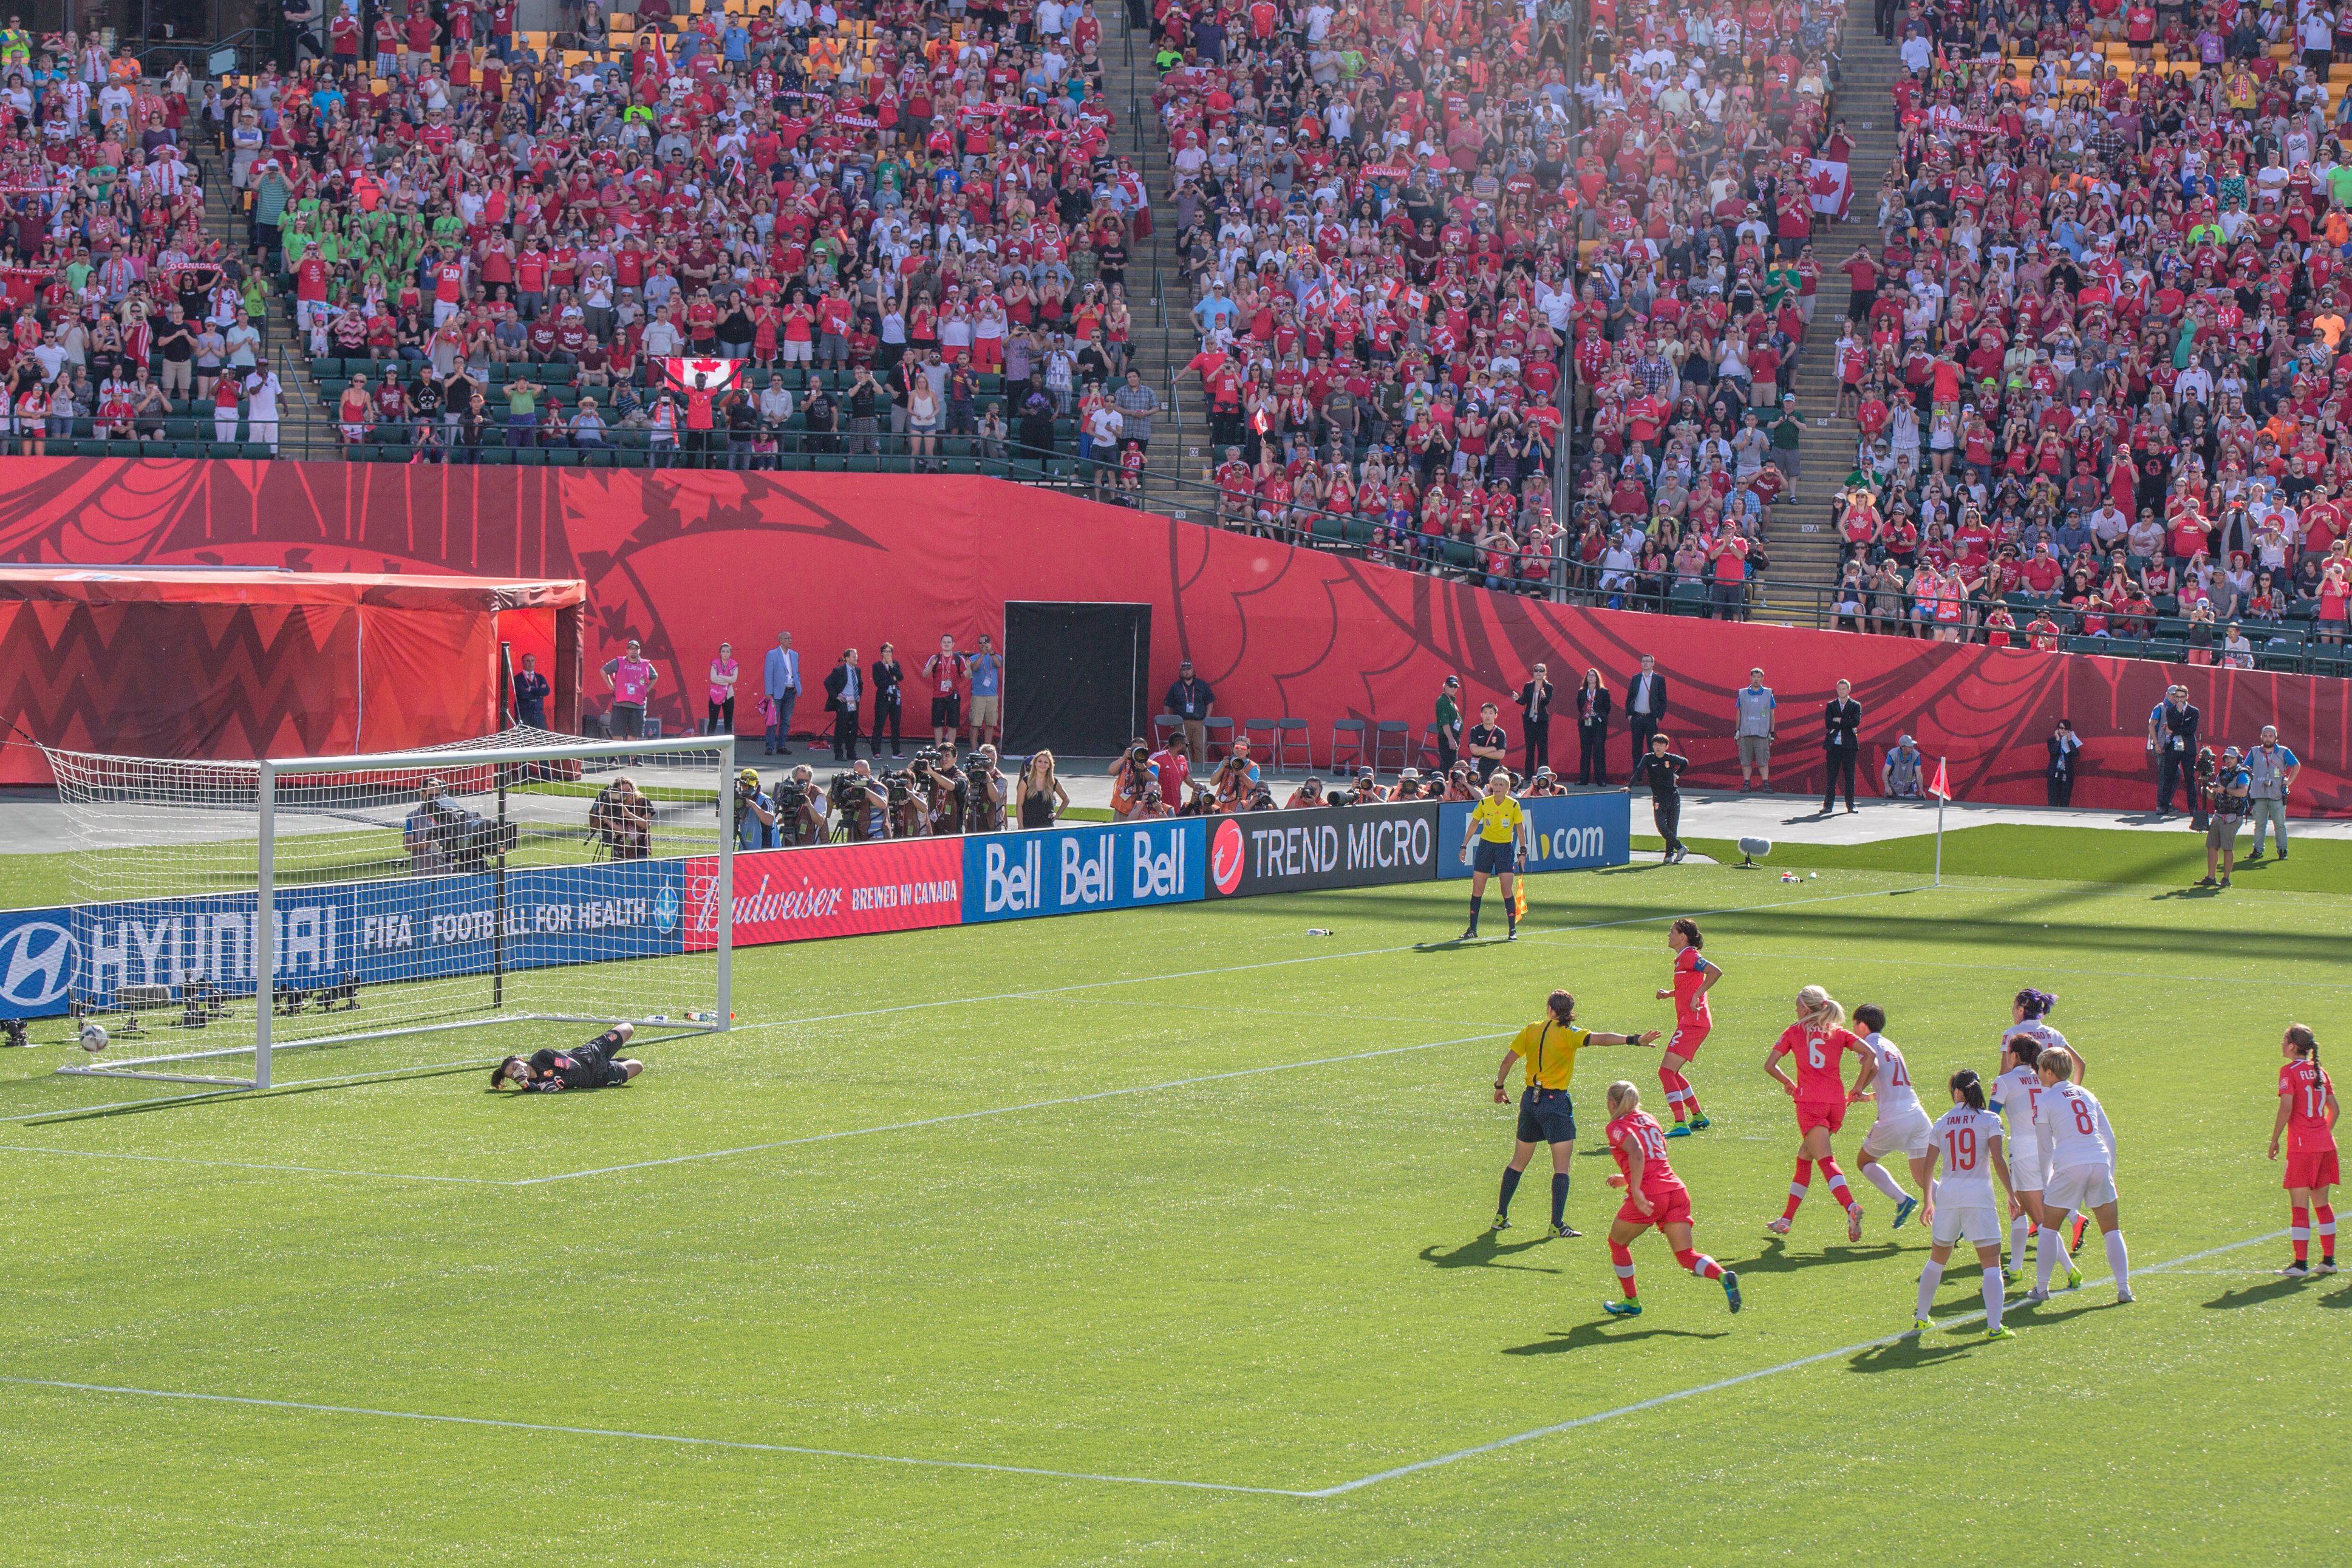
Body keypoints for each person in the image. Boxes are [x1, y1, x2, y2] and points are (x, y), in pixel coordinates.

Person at [1487, 988, 1662, 1238]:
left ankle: (1500, 1216)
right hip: (1555, 1102)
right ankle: (1556, 1224)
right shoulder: (1570, 1034)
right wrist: (1635, 1040)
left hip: (1530, 1100)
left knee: (1518, 1161)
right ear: (1569, 1012)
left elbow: (1507, 1061)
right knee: (1561, 1167)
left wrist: (1500, 1087)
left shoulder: (1532, 1029)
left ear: (1549, 1009)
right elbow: (1602, 1039)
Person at [1598, 1081, 1742, 1318]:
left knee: (1618, 1243)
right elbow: (1655, 1157)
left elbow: (1636, 1152)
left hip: (1650, 1194)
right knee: (1686, 1255)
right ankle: (1723, 1275)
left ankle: (1631, 1302)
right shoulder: (1650, 1119)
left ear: (1613, 1103)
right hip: (1675, 1190)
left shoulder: (1616, 1125)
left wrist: (1634, 1190)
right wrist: (1625, 1179)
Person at [1762, 986, 1878, 1239]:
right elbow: (1870, 1055)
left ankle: (1851, 1206)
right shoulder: (1838, 1032)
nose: (1795, 1010)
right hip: (1836, 1104)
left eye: (1797, 1005)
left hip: (1810, 1104)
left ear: (1805, 1008)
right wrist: (1858, 1087)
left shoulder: (1794, 1031)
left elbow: (1769, 1065)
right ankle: (1786, 1219)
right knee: (1805, 1156)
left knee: (1825, 1160)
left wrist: (1788, 1083)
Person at [1913, 1070, 2018, 1340]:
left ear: (1957, 1092)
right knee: (1991, 1265)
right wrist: (2011, 1194)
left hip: (1947, 1198)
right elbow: (1997, 1160)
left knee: (1937, 1260)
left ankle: (1922, 1319)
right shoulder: (1990, 1120)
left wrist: (1928, 1202)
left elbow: (1928, 1167)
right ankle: (1994, 1327)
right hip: (1979, 1199)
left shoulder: (1942, 1122)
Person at [2026, 1047, 2133, 1306]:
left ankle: (2042, 1288)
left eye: (2040, 1069)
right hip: (2098, 1162)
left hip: (2070, 1166)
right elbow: (2110, 1138)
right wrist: (2111, 1172)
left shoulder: (2045, 1101)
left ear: (2049, 1072)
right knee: (2112, 1231)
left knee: (2049, 1229)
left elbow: (2045, 1148)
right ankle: (2124, 1289)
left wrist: (2044, 1181)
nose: (2037, 1074)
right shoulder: (2087, 1094)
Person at [1993, 987, 2085, 1272]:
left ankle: (2063, 1270)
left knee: (2029, 1202)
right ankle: (2019, 1265)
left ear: (2021, 1008)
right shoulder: (2053, 1035)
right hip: (2051, 1123)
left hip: (2022, 1140)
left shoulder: (2012, 1035)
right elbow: (2079, 1064)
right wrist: (2069, 1094)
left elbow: (2003, 1075)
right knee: (2044, 1189)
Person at [1849, 1002, 1932, 1230]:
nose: (1853, 1030)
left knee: (1864, 1162)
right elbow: (1896, 1083)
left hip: (1894, 1119)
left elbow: (1873, 1066)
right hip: (1917, 1114)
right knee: (1920, 1175)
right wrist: (1870, 1097)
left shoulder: (1868, 1045)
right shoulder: (1890, 1045)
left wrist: (1857, 1088)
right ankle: (1959, 1211)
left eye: (1854, 1025)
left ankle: (1903, 1200)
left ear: (1863, 1026)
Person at [2271, 1024, 2339, 1277]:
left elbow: (2286, 1108)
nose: (2281, 1044)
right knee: (2322, 1204)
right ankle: (2329, 1261)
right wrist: (2322, 1135)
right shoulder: (2320, 1071)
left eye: (2283, 1039)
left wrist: (2274, 1139)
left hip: (2302, 1147)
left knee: (2299, 1205)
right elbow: (2335, 1110)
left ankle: (2300, 1264)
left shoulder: (2288, 1072)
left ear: (2292, 1046)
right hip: (2325, 1146)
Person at [1654, 918, 1719, 1136]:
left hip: (1694, 1022)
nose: (1668, 935)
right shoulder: (1682, 958)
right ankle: (1698, 1117)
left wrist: (1698, 996)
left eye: (1672, 931)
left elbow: (1715, 972)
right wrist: (1669, 994)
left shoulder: (1690, 956)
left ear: (1683, 936)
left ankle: (1680, 1124)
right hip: (1691, 1022)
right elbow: (1689, 986)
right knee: (1673, 1071)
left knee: (1665, 1072)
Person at [1456, 768, 1530, 941]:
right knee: (1477, 888)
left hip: (1505, 849)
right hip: (1486, 848)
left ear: (1507, 788)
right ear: (1491, 787)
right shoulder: (1484, 803)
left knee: (1506, 890)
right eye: (1495, 784)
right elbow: (1474, 824)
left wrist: (1523, 851)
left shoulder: (1513, 805)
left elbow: (1520, 829)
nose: (1497, 787)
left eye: (1501, 785)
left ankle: (1512, 930)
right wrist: (1464, 846)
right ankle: (1472, 929)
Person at [492, 1023, 643, 1091]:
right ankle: (615, 1063)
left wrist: (558, 1083)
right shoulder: (534, 1083)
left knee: (628, 1028)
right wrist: (524, 1084)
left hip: (591, 1055)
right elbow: (530, 1089)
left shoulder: (543, 1057)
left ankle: (610, 1057)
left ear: (521, 1060)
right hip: (596, 1079)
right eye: (512, 1075)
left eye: (515, 1067)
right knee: (638, 1066)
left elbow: (573, 1066)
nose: (517, 1072)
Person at [2197, 745, 2251, 888]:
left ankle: (2226, 879)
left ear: (2238, 759)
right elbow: (2214, 796)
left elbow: (2243, 792)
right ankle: (2211, 877)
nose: (2228, 760)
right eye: (2226, 758)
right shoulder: (2222, 774)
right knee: (2212, 846)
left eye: (2231, 758)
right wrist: (2205, 789)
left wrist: (2225, 790)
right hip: (2219, 813)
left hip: (2232, 815)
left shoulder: (2243, 775)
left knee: (2227, 848)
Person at [2244, 725, 2300, 861]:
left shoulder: (2283, 751)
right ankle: (2258, 850)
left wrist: (2289, 782)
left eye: (2271, 736)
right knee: (2259, 825)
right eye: (2265, 736)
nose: (2268, 739)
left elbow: (2296, 765)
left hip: (2277, 794)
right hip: (2258, 794)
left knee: (2280, 824)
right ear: (2261, 737)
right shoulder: (2254, 752)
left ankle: (2282, 850)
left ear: (2276, 737)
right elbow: (2245, 768)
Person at [1636, 733, 1691, 862]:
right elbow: (1638, 771)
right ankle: (1681, 848)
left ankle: (1668, 856)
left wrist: (1676, 775)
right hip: (1658, 798)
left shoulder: (1670, 758)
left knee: (1672, 827)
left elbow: (1685, 763)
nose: (1658, 748)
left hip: (1673, 797)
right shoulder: (1649, 758)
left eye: (1661, 745)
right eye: (1655, 745)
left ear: (1666, 746)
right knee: (1661, 826)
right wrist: (1629, 786)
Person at [2150, 684, 2200, 818]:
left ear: (2187, 697)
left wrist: (2175, 730)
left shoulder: (2194, 711)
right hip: (2172, 748)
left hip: (2188, 749)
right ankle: (2163, 806)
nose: (2179, 700)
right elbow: (2171, 724)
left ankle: (2193, 808)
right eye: (2177, 697)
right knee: (2167, 777)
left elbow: (2191, 730)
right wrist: (2178, 712)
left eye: (2182, 697)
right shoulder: (2170, 711)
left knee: (2190, 779)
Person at [602, 638, 658, 740]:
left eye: (635, 649)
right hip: (620, 703)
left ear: (639, 651)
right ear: (627, 651)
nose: (633, 651)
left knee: (633, 735)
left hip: (638, 705)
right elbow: (603, 671)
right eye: (631, 649)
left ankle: (633, 756)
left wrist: (648, 689)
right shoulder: (618, 662)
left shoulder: (645, 664)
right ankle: (616, 756)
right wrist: (610, 685)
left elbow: (655, 677)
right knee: (617, 734)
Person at [1821, 678, 1861, 814]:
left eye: (1844, 689)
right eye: (1839, 689)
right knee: (1831, 777)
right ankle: (1828, 806)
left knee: (1850, 777)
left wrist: (1840, 720)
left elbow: (1855, 722)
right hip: (1834, 746)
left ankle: (1851, 805)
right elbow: (1828, 723)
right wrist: (1846, 722)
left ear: (1849, 690)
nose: (1841, 691)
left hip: (1849, 747)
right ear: (1836, 690)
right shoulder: (1831, 705)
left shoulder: (1856, 705)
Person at [587, 775, 653, 859]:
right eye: (623, 792)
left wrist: (628, 814)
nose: (627, 794)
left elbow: (647, 825)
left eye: (629, 790)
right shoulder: (615, 806)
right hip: (620, 849)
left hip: (640, 849)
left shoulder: (643, 802)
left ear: (633, 789)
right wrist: (606, 820)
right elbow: (622, 831)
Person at [1165, 659, 1216, 767]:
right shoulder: (1175, 687)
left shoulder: (1202, 685)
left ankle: (1201, 771)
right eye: (1184, 670)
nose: (1187, 672)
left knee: (1200, 748)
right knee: (1183, 748)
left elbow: (1210, 703)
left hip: (1199, 723)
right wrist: (1170, 720)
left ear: (1193, 671)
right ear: (1181, 672)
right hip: (1182, 723)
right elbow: (1167, 705)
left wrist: (1206, 720)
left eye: (1189, 669)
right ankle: (1185, 770)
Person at [1623, 654, 1668, 772]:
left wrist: (1658, 717)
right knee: (1636, 749)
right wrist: (1630, 716)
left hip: (1651, 718)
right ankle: (1637, 778)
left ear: (1653, 664)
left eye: (1648, 661)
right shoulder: (1636, 678)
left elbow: (1663, 701)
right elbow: (1629, 698)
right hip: (1637, 718)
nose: (1645, 663)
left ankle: (1653, 777)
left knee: (1652, 748)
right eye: (1643, 661)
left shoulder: (1659, 679)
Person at [1734, 667, 1775, 791]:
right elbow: (1739, 712)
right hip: (1746, 733)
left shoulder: (1768, 694)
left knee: (1763, 761)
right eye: (1754, 677)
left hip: (1761, 733)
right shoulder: (1743, 693)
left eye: (1758, 677)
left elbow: (1772, 713)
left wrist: (1772, 732)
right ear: (1750, 678)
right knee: (1746, 761)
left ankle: (1766, 785)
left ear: (1762, 679)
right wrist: (1737, 731)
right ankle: (1747, 784)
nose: (1756, 679)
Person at [921, 633, 965, 751]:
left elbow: (968, 676)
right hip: (938, 696)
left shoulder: (958, 659)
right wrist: (931, 666)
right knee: (938, 724)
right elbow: (924, 674)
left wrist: (969, 667)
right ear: (941, 644)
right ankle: (938, 749)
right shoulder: (935, 658)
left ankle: (951, 749)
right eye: (944, 642)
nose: (946, 644)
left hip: (953, 696)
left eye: (949, 642)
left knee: (952, 725)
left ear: (953, 644)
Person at [763, 631, 800, 755]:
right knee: (773, 720)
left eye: (791, 638)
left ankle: (781, 746)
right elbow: (768, 674)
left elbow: (796, 672)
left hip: (790, 692)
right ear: (780, 641)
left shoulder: (794, 655)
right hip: (776, 693)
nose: (790, 640)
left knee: (786, 721)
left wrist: (797, 684)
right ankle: (769, 746)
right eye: (787, 638)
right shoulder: (772, 654)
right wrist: (769, 692)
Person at [1515, 663, 1555, 778]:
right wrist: (1517, 699)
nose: (1538, 672)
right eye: (1536, 670)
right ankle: (1529, 776)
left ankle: (1543, 776)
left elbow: (1547, 702)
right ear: (1533, 672)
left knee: (1542, 748)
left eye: (1541, 670)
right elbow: (1524, 701)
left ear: (1545, 673)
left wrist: (1544, 697)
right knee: (1530, 748)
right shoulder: (1528, 686)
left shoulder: (1548, 687)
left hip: (1542, 721)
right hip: (1529, 721)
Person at [823, 649, 864, 761]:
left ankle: (851, 752)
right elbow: (827, 682)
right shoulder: (839, 670)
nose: (856, 659)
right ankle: (839, 753)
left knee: (853, 727)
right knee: (841, 727)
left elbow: (860, 684)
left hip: (854, 702)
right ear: (847, 658)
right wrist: (836, 696)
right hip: (843, 701)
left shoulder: (858, 670)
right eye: (853, 657)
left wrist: (859, 694)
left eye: (856, 657)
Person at [1573, 667, 1611, 785]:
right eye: (1589, 675)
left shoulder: (1604, 692)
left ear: (1597, 678)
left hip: (1599, 724)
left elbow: (1607, 708)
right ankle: (1583, 779)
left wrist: (1597, 714)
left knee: (1599, 751)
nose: (1590, 677)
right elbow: (1580, 707)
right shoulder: (1582, 692)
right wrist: (1587, 714)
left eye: (1593, 675)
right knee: (1585, 751)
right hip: (1585, 724)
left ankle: (1601, 780)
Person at [870, 643, 907, 758]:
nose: (888, 654)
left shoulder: (895, 664)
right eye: (886, 652)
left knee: (895, 725)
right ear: (882, 653)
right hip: (883, 699)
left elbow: (900, 677)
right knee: (879, 725)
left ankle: (896, 752)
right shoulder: (877, 666)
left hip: (895, 698)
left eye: (890, 652)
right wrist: (892, 680)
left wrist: (892, 665)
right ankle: (876, 752)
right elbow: (879, 683)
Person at [967, 633, 1004, 751]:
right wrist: (982, 655)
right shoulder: (974, 657)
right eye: (981, 643)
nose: (983, 644)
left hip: (992, 695)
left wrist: (991, 652)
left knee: (990, 723)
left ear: (990, 643)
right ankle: (974, 749)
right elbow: (974, 668)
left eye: (986, 642)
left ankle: (987, 749)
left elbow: (999, 664)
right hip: (978, 695)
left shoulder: (996, 656)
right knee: (975, 724)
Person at [1017, 749, 1068, 828]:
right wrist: (1020, 826)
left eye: (1046, 762)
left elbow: (1066, 799)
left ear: (1049, 766)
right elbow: (1019, 806)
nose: (1042, 764)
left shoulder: (1053, 782)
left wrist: (1057, 814)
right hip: (1028, 826)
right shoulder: (1025, 781)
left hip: (1047, 826)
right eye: (1040, 761)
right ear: (1035, 763)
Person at [1464, 702, 1510, 784]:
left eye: (1491, 713)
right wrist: (1492, 749)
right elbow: (1474, 750)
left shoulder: (1500, 733)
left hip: (1493, 769)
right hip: (1477, 768)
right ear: (1481, 715)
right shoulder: (1475, 730)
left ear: (1496, 715)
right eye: (1485, 713)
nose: (1488, 716)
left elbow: (1500, 755)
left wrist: (1480, 752)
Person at [732, 766, 777, 850]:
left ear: (757, 784)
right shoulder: (740, 799)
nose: (746, 788)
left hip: (764, 848)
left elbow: (770, 820)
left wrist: (753, 805)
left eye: (749, 786)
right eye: (744, 785)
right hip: (745, 846)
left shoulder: (764, 800)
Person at [2045, 719, 2081, 808]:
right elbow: (2053, 752)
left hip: (2066, 775)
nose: (2063, 730)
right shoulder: (2051, 741)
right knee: (2053, 801)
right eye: (2061, 728)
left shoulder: (2071, 741)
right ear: (2058, 729)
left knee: (2065, 802)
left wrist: (2069, 740)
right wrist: (2058, 740)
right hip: (2054, 774)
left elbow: (2075, 754)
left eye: (2066, 728)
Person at [706, 643, 739, 737]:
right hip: (715, 694)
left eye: (728, 652)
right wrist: (726, 682)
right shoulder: (715, 663)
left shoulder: (734, 664)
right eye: (723, 652)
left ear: (730, 653)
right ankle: (709, 748)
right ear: (720, 653)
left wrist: (720, 677)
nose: (725, 654)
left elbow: (734, 679)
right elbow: (713, 679)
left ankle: (728, 749)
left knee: (728, 721)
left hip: (729, 695)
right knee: (713, 721)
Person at [1434, 675, 1464, 773]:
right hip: (1447, 737)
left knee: (1450, 765)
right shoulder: (1443, 701)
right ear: (1445, 686)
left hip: (1451, 737)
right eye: (1451, 685)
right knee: (1450, 767)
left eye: (1455, 686)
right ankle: (1447, 786)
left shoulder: (1449, 700)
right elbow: (1444, 723)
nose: (1453, 688)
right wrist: (1451, 739)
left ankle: (1446, 785)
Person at [511, 652, 550, 729]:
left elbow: (547, 691)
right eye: (528, 661)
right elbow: (522, 694)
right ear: (523, 663)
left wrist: (530, 689)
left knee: (541, 738)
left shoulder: (540, 677)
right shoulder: (518, 678)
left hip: (538, 714)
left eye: (532, 661)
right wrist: (539, 694)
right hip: (525, 715)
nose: (530, 663)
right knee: (525, 739)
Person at [1880, 734, 1924, 799]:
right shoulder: (1892, 754)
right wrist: (1887, 786)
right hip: (1895, 782)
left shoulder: (1916, 755)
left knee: (1911, 802)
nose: (1912, 748)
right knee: (1890, 798)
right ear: (1903, 747)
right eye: (1910, 746)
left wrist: (1921, 789)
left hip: (1910, 783)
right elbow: (1885, 772)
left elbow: (1919, 774)